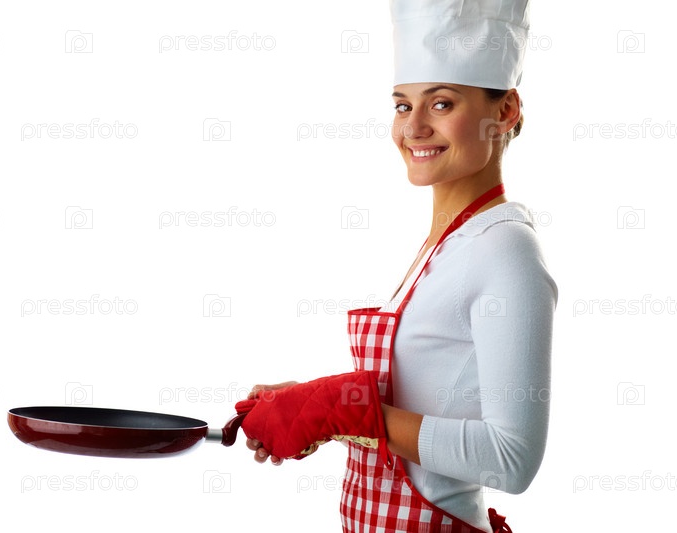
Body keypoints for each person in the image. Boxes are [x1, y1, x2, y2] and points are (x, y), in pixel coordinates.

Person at [235, 1, 557, 531]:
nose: (414, 127)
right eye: (403, 105)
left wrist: (341, 408)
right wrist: (306, 401)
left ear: (505, 111)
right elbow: (429, 393)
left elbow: (512, 458)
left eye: (442, 103)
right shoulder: (448, 242)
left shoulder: (505, 249)